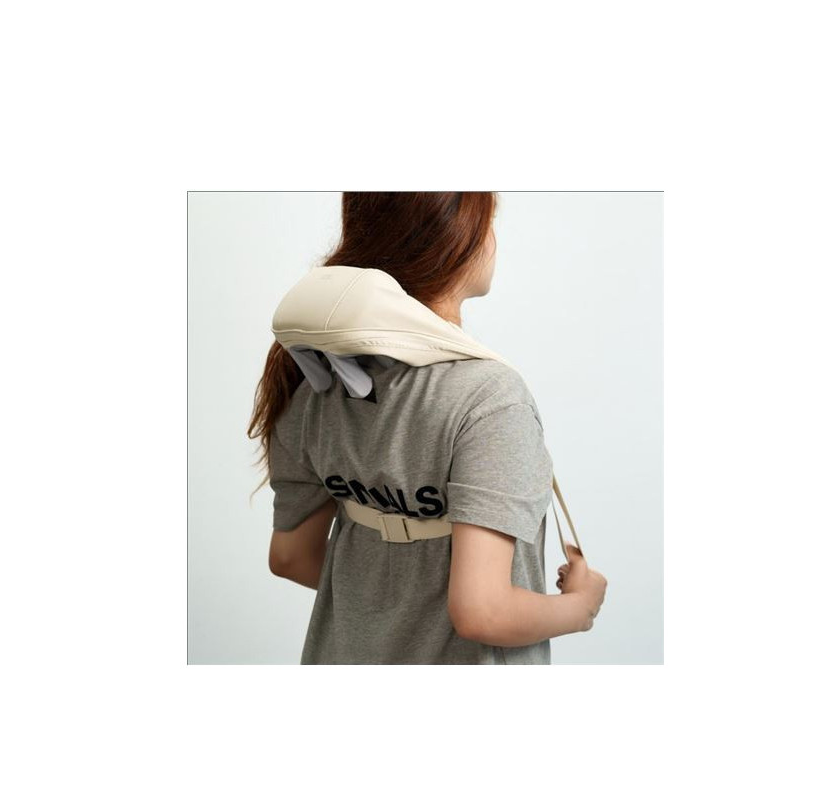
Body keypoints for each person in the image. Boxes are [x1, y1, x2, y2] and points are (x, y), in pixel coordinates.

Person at [247, 192, 607, 664]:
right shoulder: (487, 397)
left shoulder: (312, 381)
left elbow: (292, 557)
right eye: (488, 221)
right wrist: (581, 607)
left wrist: (394, 600)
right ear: (458, 235)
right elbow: (485, 612)